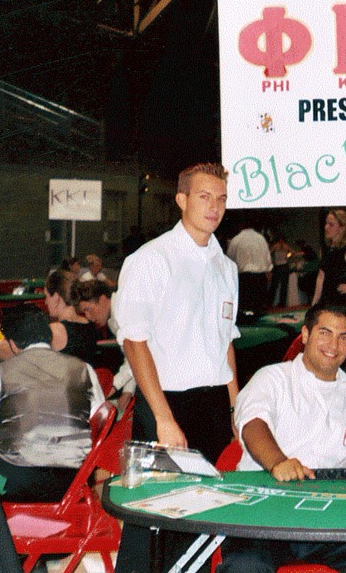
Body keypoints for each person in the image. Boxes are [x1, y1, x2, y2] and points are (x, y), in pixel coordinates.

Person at [113, 162, 240, 573]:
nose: (214, 207)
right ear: (182, 200)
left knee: (204, 519)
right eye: (204, 197)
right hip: (165, 404)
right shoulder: (150, 260)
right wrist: (163, 418)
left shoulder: (226, 266)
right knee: (155, 522)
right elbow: (135, 341)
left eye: (221, 199)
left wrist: (237, 407)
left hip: (214, 404)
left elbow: (227, 342)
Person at [219, 304, 346, 573]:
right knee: (246, 567)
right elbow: (252, 424)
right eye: (325, 332)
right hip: (262, 518)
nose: (334, 344)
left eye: (343, 337)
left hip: (330, 522)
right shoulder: (272, 378)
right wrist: (278, 463)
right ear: (305, 334)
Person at [0, 305, 105, 572]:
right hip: (73, 482)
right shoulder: (84, 370)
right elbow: (97, 422)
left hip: (13, 484)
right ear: (48, 336)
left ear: (13, 344)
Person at [0, 269, 98, 365]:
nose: (45, 302)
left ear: (56, 297)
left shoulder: (55, 331)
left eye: (47, 296)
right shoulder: (90, 325)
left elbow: (15, 351)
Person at [72, 279, 136, 411]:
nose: (88, 317)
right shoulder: (114, 316)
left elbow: (137, 358)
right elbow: (132, 358)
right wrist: (128, 390)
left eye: (88, 309)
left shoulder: (122, 312)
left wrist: (111, 387)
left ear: (101, 299)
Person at [227, 222, 273, 313]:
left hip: (245, 278)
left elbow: (229, 259)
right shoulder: (261, 239)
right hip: (260, 277)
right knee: (259, 308)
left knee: (245, 308)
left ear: (240, 226)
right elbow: (268, 259)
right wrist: (268, 272)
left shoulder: (236, 240)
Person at [311, 208, 346, 307]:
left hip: (342, 301)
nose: (326, 227)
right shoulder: (325, 249)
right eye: (326, 223)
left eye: (331, 224)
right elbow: (320, 278)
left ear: (342, 227)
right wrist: (314, 304)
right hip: (327, 299)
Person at [267, 234, 292, 307]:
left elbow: (268, 253)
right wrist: (287, 256)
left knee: (274, 285)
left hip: (277, 266)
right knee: (283, 285)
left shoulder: (275, 246)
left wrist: (272, 260)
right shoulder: (286, 246)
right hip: (284, 266)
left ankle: (270, 302)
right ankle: (282, 303)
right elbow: (292, 253)